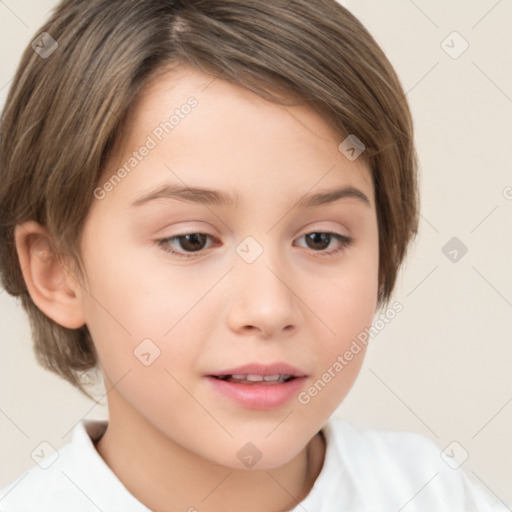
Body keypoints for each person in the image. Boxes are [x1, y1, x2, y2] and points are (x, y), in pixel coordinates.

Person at [0, 0, 508, 510]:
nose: (268, 310)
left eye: (320, 239)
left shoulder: (435, 494)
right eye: (191, 240)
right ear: (57, 271)